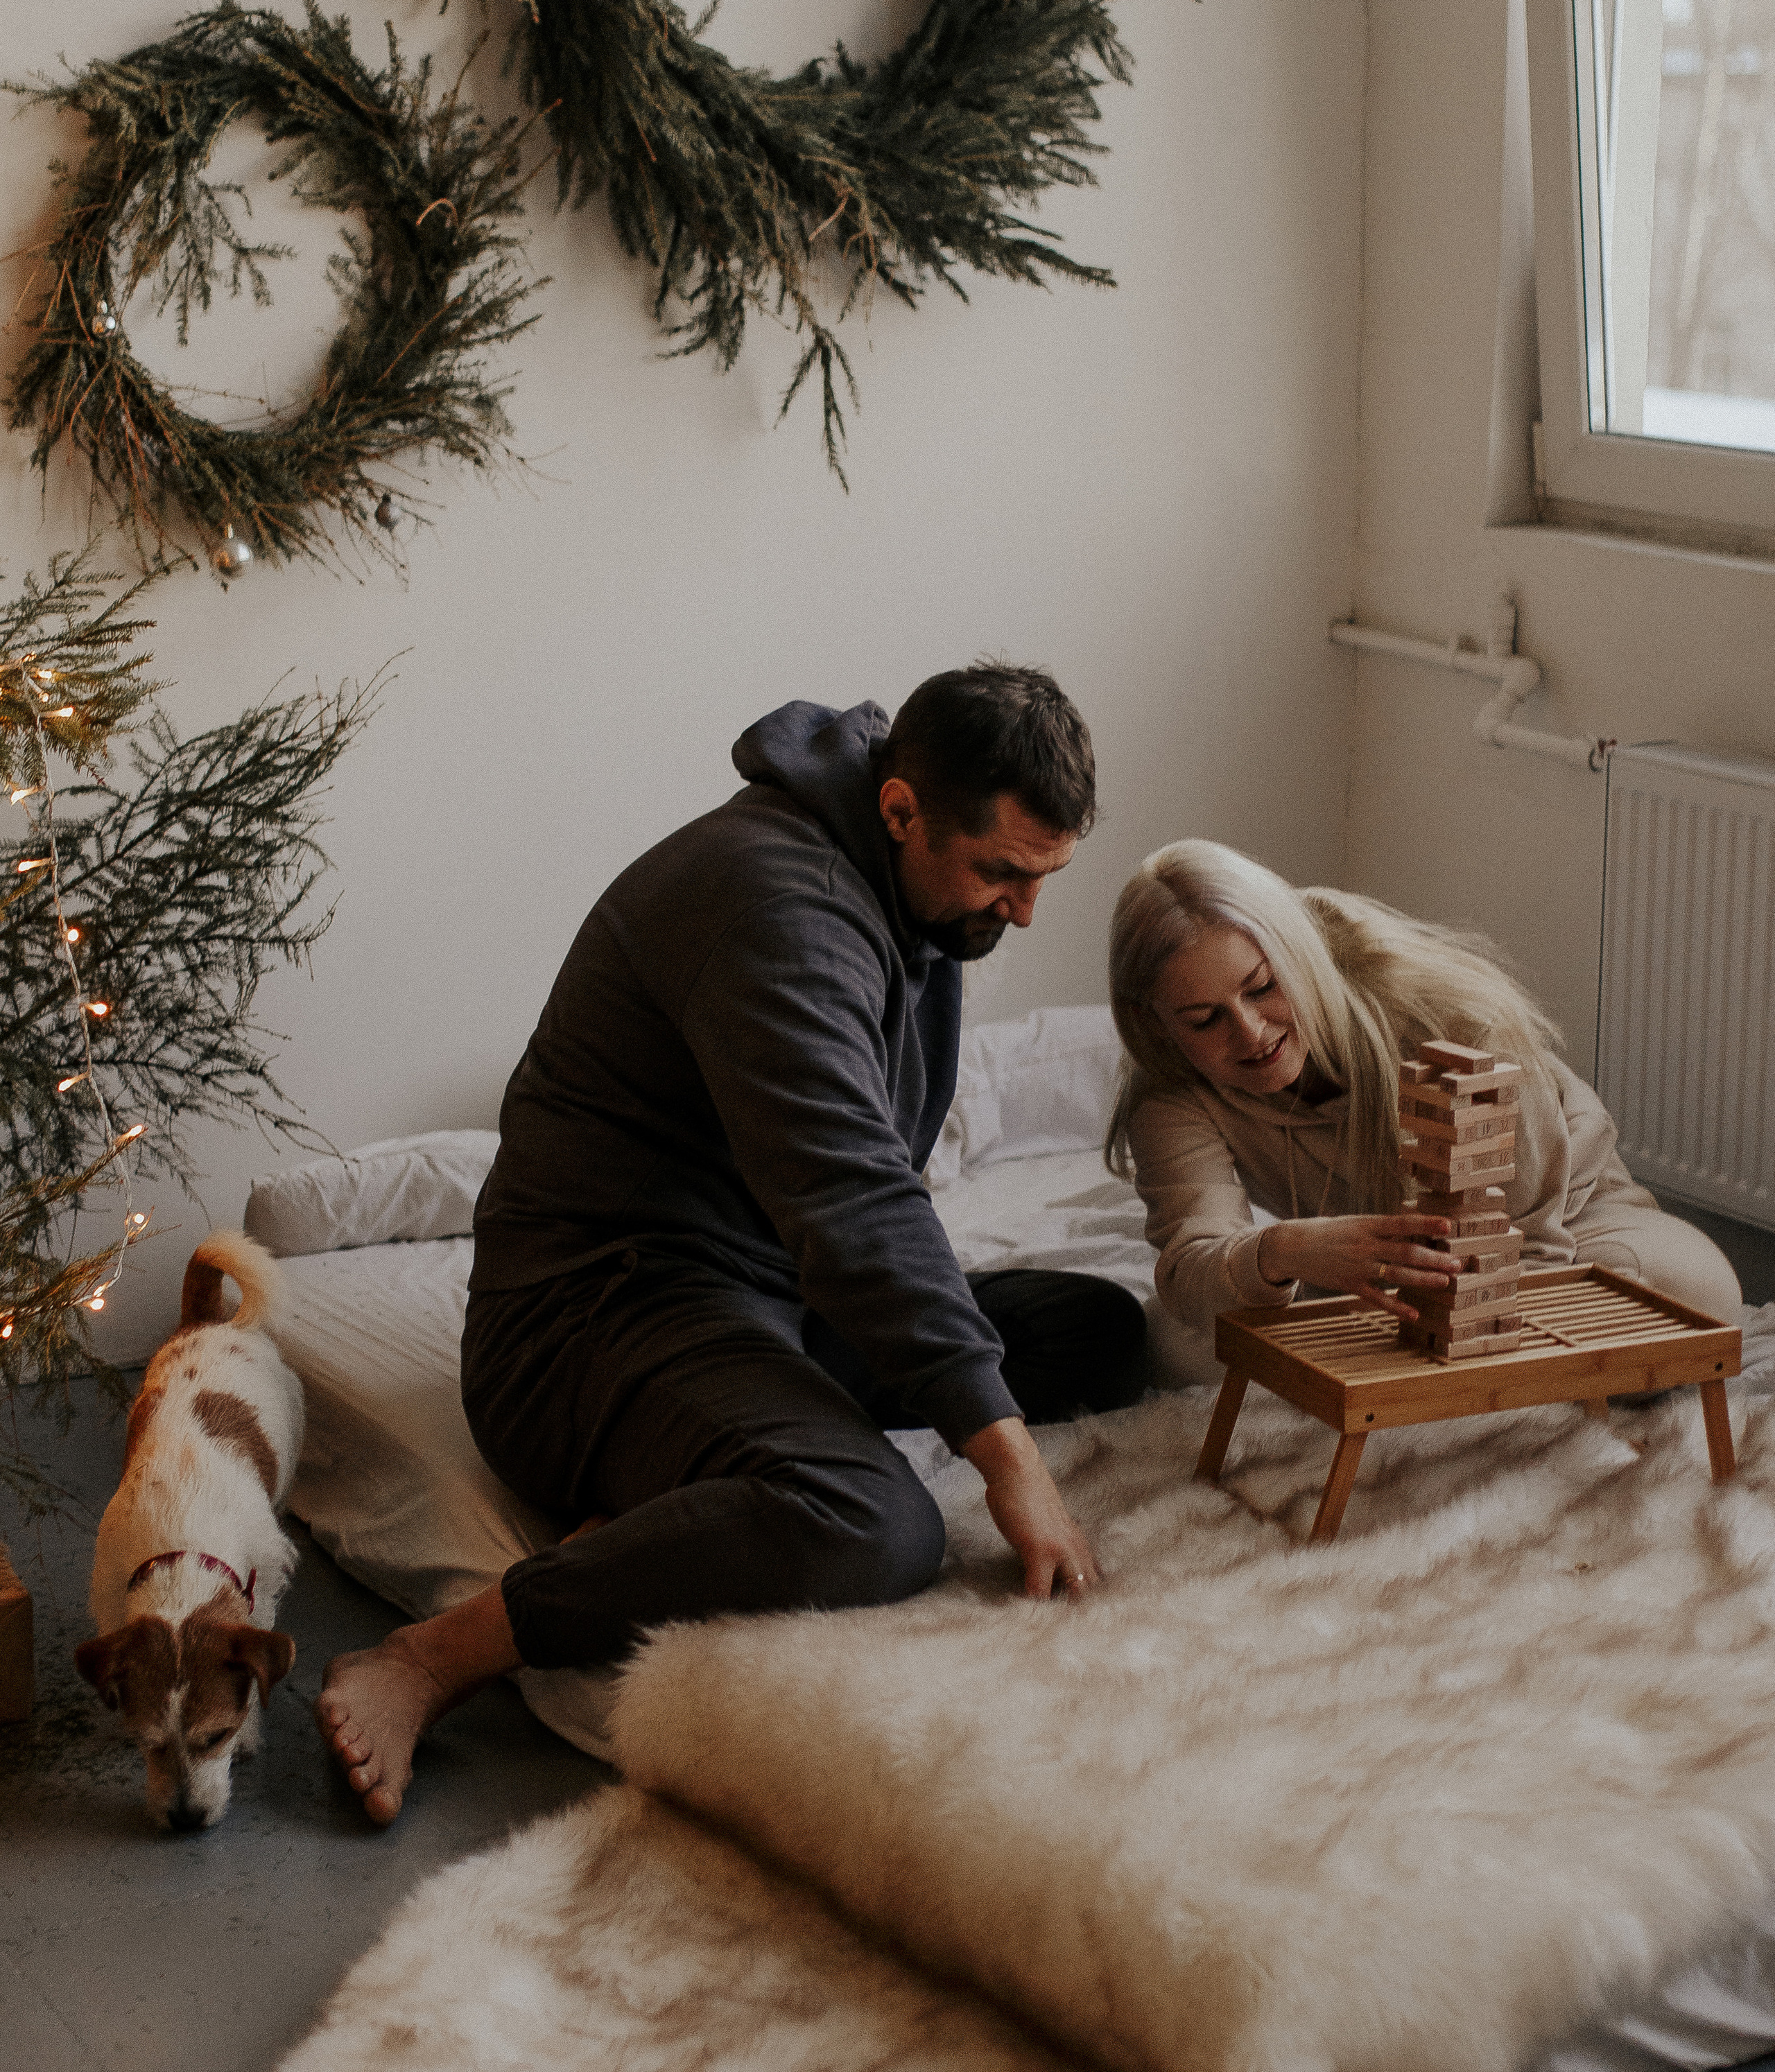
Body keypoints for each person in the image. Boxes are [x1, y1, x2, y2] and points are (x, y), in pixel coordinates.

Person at [318, 665, 1148, 1820]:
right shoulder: (775, 906)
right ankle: (439, 1653)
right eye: (1003, 873)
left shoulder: (904, 890)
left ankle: (695, 1483)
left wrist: (954, 1376)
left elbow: (862, 1190)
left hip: (766, 1290)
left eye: (1043, 877)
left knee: (1096, 1333)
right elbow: (852, 1194)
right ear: (901, 809)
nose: (1023, 911)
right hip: (590, 1321)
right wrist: (1010, 1468)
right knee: (877, 1523)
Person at [1106, 839, 1741, 1340]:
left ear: (1297, 956)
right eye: (1203, 1019)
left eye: (1263, 987)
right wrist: (1286, 1249)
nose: (1251, 1033)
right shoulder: (1169, 1095)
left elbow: (1527, 1237)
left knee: (1699, 1298)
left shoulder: (1432, 1005)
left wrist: (1467, 1315)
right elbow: (1193, 1265)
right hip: (1371, 1269)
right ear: (1155, 1023)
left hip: (1564, 1229)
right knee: (1175, 1343)